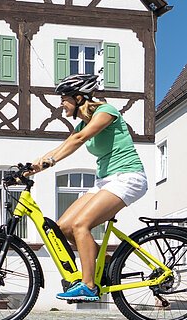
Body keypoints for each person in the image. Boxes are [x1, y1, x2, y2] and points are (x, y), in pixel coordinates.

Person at [30, 71, 148, 301]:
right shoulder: (82, 123)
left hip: (128, 177)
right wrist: (32, 167)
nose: (62, 105)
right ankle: (103, 267)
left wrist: (48, 162)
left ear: (80, 98)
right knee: (63, 227)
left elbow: (79, 140)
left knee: (80, 225)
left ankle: (89, 285)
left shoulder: (106, 112)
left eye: (64, 99)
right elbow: (64, 145)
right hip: (105, 180)